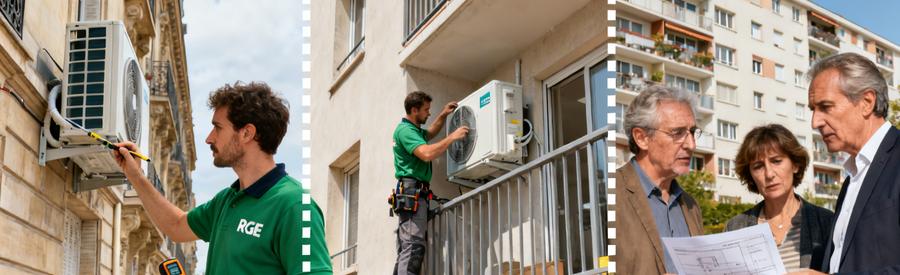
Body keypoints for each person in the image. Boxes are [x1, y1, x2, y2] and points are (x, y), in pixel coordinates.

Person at [113, 82, 331, 274]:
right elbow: (176, 225)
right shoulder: (226, 201)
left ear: (247, 133)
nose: (209, 138)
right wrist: (135, 175)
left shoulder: (295, 207)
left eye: (217, 127)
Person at [789, 52, 900, 274]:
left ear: (866, 102)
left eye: (826, 107)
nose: (815, 122)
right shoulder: (853, 177)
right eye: (813, 110)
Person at [614, 85, 704, 274]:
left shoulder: (691, 206)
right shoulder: (612, 193)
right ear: (642, 138)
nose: (691, 145)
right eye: (677, 133)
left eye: (693, 132)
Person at [725, 124, 833, 272]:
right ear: (750, 175)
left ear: (795, 165)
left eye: (776, 161)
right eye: (758, 166)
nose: (769, 174)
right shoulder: (735, 228)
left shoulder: (826, 222)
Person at [392, 91, 469, 275]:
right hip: (412, 192)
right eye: (426, 110)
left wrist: (443, 114)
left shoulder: (414, 130)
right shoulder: (405, 131)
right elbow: (426, 153)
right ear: (414, 110)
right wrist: (452, 137)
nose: (429, 113)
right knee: (413, 247)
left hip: (415, 193)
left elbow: (430, 133)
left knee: (408, 248)